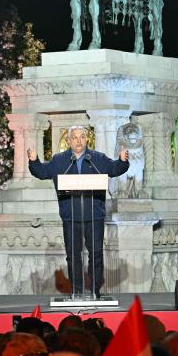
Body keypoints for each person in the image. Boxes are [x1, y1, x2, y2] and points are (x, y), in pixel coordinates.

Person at [28, 125, 129, 297]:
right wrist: (34, 161)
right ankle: (76, 290)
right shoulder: (60, 160)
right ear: (68, 141)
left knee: (96, 254)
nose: (78, 141)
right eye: (74, 138)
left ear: (86, 139)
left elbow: (114, 169)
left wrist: (122, 161)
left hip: (94, 216)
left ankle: (95, 289)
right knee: (73, 256)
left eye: (82, 137)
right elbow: (43, 172)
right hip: (71, 217)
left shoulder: (97, 158)